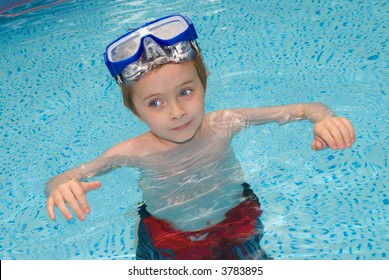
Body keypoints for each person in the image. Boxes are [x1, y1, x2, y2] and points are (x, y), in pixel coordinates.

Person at [45, 14, 355, 260]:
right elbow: (62, 178)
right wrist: (62, 187)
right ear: (135, 111)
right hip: (170, 235)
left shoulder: (225, 122)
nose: (177, 112)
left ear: (203, 83)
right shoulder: (133, 151)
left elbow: (305, 108)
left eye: (185, 92)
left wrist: (324, 119)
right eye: (155, 103)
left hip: (238, 217)